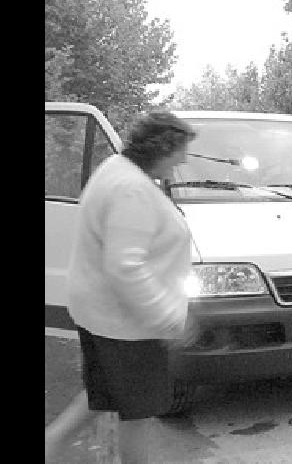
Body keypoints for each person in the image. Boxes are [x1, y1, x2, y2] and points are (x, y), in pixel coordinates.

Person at [45, 112, 198, 463]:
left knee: (107, 393)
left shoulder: (116, 169)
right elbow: (126, 267)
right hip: (127, 324)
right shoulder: (132, 189)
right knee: (139, 413)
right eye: (182, 150)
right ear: (164, 147)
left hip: (101, 313)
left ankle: (53, 442)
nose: (185, 159)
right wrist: (168, 317)